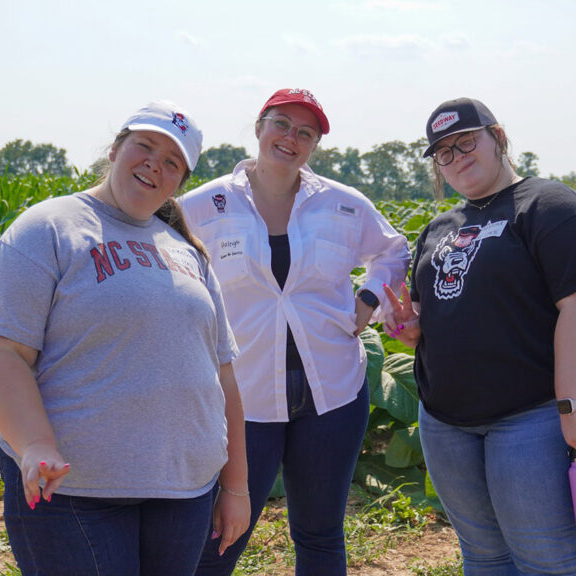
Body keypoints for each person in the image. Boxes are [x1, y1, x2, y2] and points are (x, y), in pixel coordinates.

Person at [0, 101, 250, 576]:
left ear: (181, 181)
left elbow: (223, 377)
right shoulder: (49, 227)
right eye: (145, 146)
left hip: (185, 491)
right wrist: (34, 444)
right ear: (115, 149)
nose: (155, 163)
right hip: (74, 491)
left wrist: (235, 487)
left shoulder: (186, 250)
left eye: (173, 161)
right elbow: (0, 350)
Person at [179, 88, 410, 575]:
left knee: (320, 533)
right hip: (244, 400)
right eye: (282, 124)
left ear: (314, 147)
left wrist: (369, 297)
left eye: (306, 133)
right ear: (259, 126)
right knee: (220, 536)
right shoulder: (205, 204)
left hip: (332, 394)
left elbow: (392, 250)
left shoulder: (342, 205)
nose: (291, 138)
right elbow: (162, 256)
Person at [384, 97, 576, 576]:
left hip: (530, 417)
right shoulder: (439, 228)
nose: (456, 157)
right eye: (443, 153)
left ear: (499, 138)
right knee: (483, 556)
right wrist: (414, 327)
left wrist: (572, 407)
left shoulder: (551, 207)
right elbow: (444, 311)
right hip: (446, 423)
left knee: (547, 558)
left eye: (466, 141)